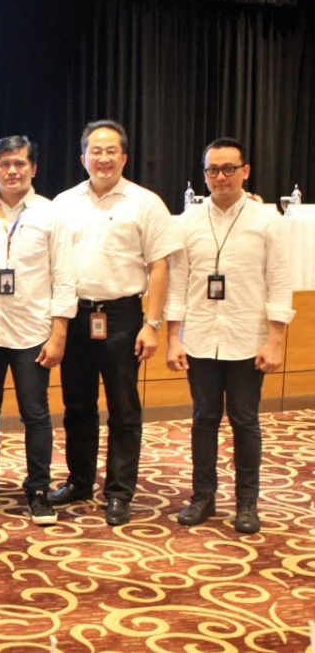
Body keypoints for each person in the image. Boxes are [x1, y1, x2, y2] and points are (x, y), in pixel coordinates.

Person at [49, 120, 180, 526]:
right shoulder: (64, 203)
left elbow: (160, 266)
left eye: (111, 151)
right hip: (76, 315)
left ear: (124, 156)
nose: (103, 158)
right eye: (95, 151)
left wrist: (152, 324)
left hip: (123, 316)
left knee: (125, 410)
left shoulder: (146, 202)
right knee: (77, 406)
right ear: (83, 157)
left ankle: (120, 492)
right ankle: (80, 481)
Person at [165, 138, 294, 534]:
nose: (220, 177)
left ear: (245, 171)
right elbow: (177, 284)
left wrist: (274, 341)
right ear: (204, 174)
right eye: (212, 170)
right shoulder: (187, 221)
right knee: (204, 418)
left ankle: (247, 503)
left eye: (228, 169)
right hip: (201, 336)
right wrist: (174, 338)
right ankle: (202, 497)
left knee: (245, 419)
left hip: (246, 337)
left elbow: (279, 282)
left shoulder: (267, 219)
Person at [0, 136, 76, 526]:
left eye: (20, 163)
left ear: (33, 169)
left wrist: (58, 333)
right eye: (4, 163)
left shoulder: (50, 213)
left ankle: (38, 489)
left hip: (32, 331)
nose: (12, 170)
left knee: (35, 413)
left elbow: (64, 276)